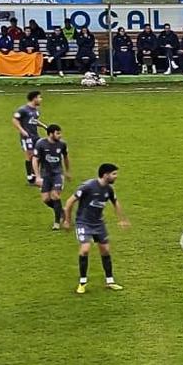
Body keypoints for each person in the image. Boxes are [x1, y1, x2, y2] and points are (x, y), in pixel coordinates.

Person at [71, 163, 127, 295]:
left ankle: (110, 281)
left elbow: (115, 202)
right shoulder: (88, 186)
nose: (116, 176)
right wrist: (67, 220)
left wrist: (121, 219)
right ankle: (82, 282)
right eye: (114, 174)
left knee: (105, 250)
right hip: (83, 223)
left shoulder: (108, 189)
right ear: (105, 174)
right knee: (85, 249)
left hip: (98, 224)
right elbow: (69, 202)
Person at [34, 123, 72, 228]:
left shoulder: (62, 144)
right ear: (51, 134)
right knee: (46, 199)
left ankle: (57, 222)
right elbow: (35, 159)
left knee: (55, 195)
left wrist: (67, 171)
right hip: (45, 174)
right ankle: (62, 211)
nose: (60, 135)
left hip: (57, 174)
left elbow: (66, 157)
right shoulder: (40, 144)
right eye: (58, 133)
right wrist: (37, 176)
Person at [13, 89, 44, 185]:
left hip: (35, 136)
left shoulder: (35, 110)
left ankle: (35, 176)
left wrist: (44, 126)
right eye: (39, 97)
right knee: (30, 156)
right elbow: (14, 120)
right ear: (34, 98)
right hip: (27, 137)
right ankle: (30, 177)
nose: (41, 99)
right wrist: (22, 131)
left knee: (38, 155)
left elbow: (33, 120)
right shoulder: (23, 109)